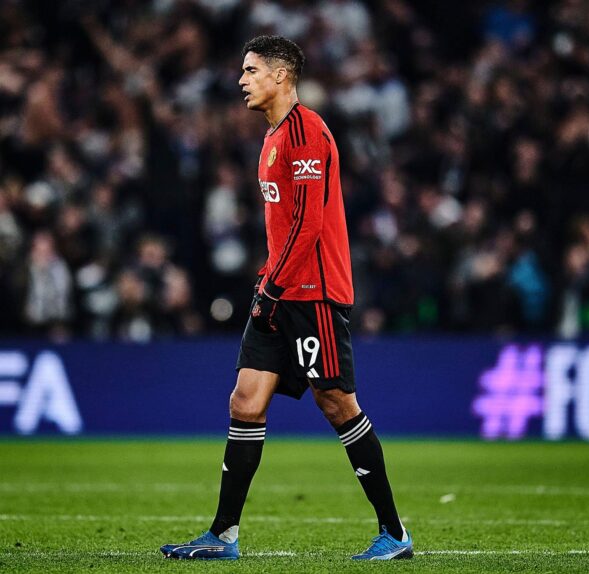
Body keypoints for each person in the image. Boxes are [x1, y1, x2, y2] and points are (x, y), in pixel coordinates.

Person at [160, 36, 413, 561]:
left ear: (281, 76)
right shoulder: (273, 136)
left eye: (251, 70)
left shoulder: (308, 131)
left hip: (313, 292)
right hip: (277, 288)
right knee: (244, 403)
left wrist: (272, 290)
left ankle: (394, 533)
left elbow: (308, 224)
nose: (242, 80)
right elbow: (283, 229)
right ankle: (223, 535)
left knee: (337, 402)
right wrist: (268, 285)